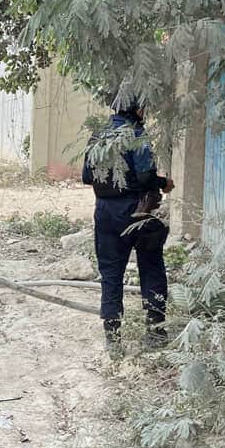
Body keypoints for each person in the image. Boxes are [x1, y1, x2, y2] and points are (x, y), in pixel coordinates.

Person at [82, 95, 174, 353]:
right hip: (138, 210)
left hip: (106, 212)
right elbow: (145, 177)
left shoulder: (98, 136)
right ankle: (155, 333)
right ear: (136, 109)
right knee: (152, 267)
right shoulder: (136, 135)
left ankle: (113, 339)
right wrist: (162, 183)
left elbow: (87, 177)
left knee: (111, 273)